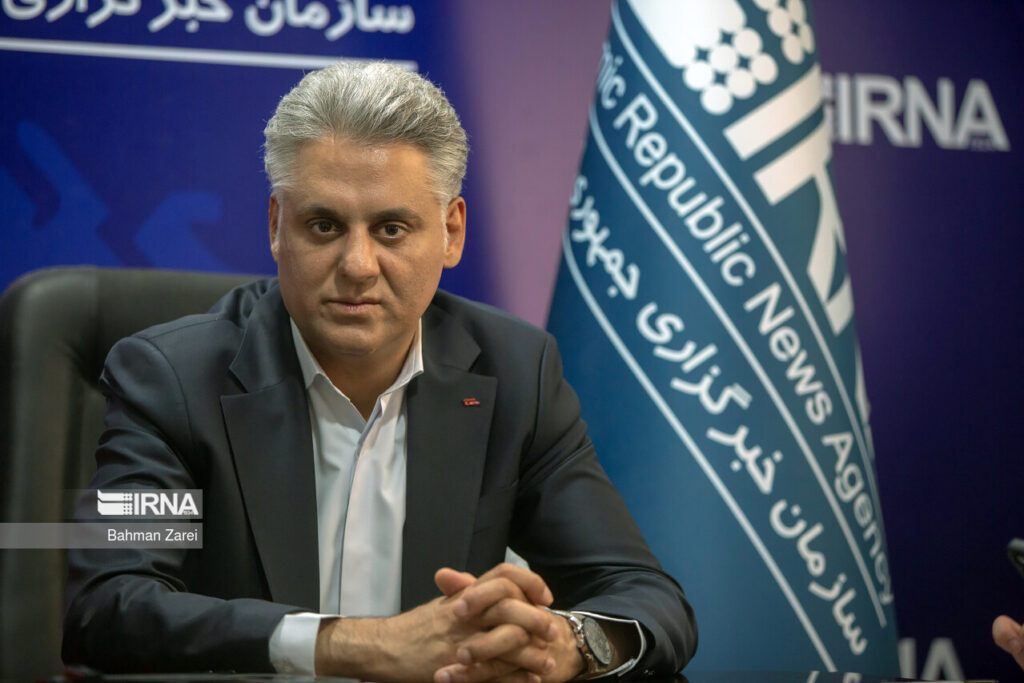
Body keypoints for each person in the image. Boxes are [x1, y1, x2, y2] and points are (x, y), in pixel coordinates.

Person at [62, 61, 696, 681]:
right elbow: (109, 606)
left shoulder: (514, 376)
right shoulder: (173, 381)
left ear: (451, 232)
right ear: (278, 226)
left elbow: (645, 596)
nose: (358, 265)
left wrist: (568, 643)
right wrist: (356, 646)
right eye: (324, 226)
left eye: (391, 229)